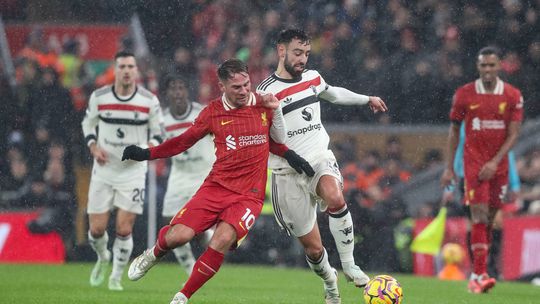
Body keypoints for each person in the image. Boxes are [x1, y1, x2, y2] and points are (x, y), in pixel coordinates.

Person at [122, 58, 314, 304]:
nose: (244, 91)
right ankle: (154, 253)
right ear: (222, 86)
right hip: (216, 187)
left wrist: (291, 155)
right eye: (237, 87)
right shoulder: (212, 112)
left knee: (220, 240)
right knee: (178, 236)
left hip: (249, 195)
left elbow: (269, 140)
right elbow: (183, 141)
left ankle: (182, 297)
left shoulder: (262, 104)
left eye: (246, 84)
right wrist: (146, 154)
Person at [256, 29, 388, 304]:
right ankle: (330, 282)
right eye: (297, 53)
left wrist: (367, 99)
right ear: (281, 51)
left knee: (335, 197)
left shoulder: (313, 78)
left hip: (318, 157)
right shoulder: (266, 92)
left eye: (306, 53)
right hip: (286, 173)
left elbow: (333, 94)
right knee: (314, 251)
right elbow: (261, 138)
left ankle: (350, 265)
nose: (303, 59)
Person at [440, 46, 524, 294]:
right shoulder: (464, 94)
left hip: (499, 166)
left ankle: (481, 269)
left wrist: (495, 162)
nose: (488, 70)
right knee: (477, 216)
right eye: (483, 65)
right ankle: (479, 275)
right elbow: (454, 132)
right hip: (473, 164)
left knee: (489, 221)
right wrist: (449, 168)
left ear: (499, 66)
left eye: (492, 65)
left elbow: (514, 134)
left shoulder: (512, 95)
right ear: (478, 67)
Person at [81, 50, 164, 291]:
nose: (127, 71)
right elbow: (88, 123)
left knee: (124, 228)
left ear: (136, 71)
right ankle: (102, 257)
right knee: (96, 230)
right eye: (122, 67)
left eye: (131, 66)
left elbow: (158, 134)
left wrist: (146, 149)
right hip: (104, 169)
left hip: (132, 172)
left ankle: (116, 276)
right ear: (115, 70)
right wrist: (93, 146)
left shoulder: (149, 100)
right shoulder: (99, 97)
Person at [160, 74, 215, 275]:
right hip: (179, 174)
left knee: (196, 225)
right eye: (173, 88)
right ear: (167, 93)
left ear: (187, 91)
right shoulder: (162, 120)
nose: (178, 93)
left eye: (181, 88)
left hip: (203, 174)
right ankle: (190, 269)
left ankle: (210, 242)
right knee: (171, 223)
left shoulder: (202, 113)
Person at [453, 122, 520, 280]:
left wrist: (514, 181)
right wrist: (453, 176)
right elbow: (460, 148)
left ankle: (490, 266)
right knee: (474, 221)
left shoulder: (498, 118)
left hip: (494, 174)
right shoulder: (467, 121)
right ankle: (477, 268)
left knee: (495, 221)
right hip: (469, 176)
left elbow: (507, 152)